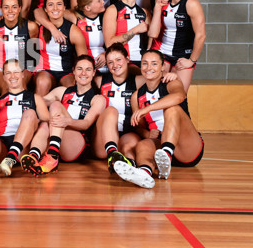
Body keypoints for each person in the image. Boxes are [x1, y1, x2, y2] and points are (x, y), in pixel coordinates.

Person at [113, 49, 204, 189]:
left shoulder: (171, 83)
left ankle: (167, 154)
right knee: (142, 145)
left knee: (172, 109)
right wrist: (146, 134)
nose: (149, 68)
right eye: (145, 63)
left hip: (186, 147)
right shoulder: (137, 96)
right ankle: (144, 172)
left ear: (163, 67)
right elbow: (138, 126)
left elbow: (179, 97)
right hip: (159, 148)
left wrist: (148, 108)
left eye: (154, 64)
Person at [90, 43, 176, 174]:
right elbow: (80, 82)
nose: (115, 65)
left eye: (119, 60)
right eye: (110, 62)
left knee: (131, 147)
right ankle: (112, 155)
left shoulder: (138, 81)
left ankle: (130, 169)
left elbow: (156, 76)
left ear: (127, 59)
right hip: (102, 139)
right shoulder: (99, 81)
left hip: (127, 132)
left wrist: (172, 76)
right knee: (111, 110)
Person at [21, 55, 106, 176]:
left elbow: (86, 124)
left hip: (78, 145)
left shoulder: (98, 99)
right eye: (80, 69)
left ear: (93, 73)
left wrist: (67, 121)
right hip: (59, 140)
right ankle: (34, 156)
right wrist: (14, 97)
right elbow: (36, 101)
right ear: (74, 71)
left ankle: (52, 155)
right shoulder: (62, 91)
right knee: (45, 124)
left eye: (88, 69)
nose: (83, 73)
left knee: (55, 106)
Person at [149, 0, 205, 92]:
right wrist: (158, 7)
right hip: (162, 52)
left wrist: (191, 60)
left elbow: (200, 35)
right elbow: (153, 33)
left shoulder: (191, 4)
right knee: (158, 92)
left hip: (182, 55)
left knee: (179, 96)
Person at [33, 0, 87, 96]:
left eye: (59, 4)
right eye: (50, 5)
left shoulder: (72, 30)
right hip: (45, 69)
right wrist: (52, 29)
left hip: (66, 71)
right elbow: (36, 11)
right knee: (42, 82)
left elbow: (83, 59)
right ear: (45, 9)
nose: (55, 8)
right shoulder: (39, 26)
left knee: (71, 88)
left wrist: (78, 75)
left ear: (64, 7)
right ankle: (38, 111)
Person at [0, 0, 38, 94]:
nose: (10, 11)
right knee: (6, 88)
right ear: (1, 9)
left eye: (14, 7)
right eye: (6, 7)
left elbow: (33, 51)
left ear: (20, 8)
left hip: (24, 66)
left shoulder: (31, 27)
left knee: (20, 88)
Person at [103, 0, 150, 68]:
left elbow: (153, 37)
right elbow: (109, 43)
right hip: (122, 62)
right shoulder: (113, 10)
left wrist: (158, 6)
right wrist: (135, 30)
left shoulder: (144, 12)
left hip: (142, 61)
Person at [65, 0, 107, 73]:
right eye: (99, 1)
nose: (103, 2)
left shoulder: (106, 16)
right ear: (87, 7)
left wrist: (106, 54)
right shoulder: (75, 17)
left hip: (106, 65)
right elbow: (41, 11)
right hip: (85, 67)